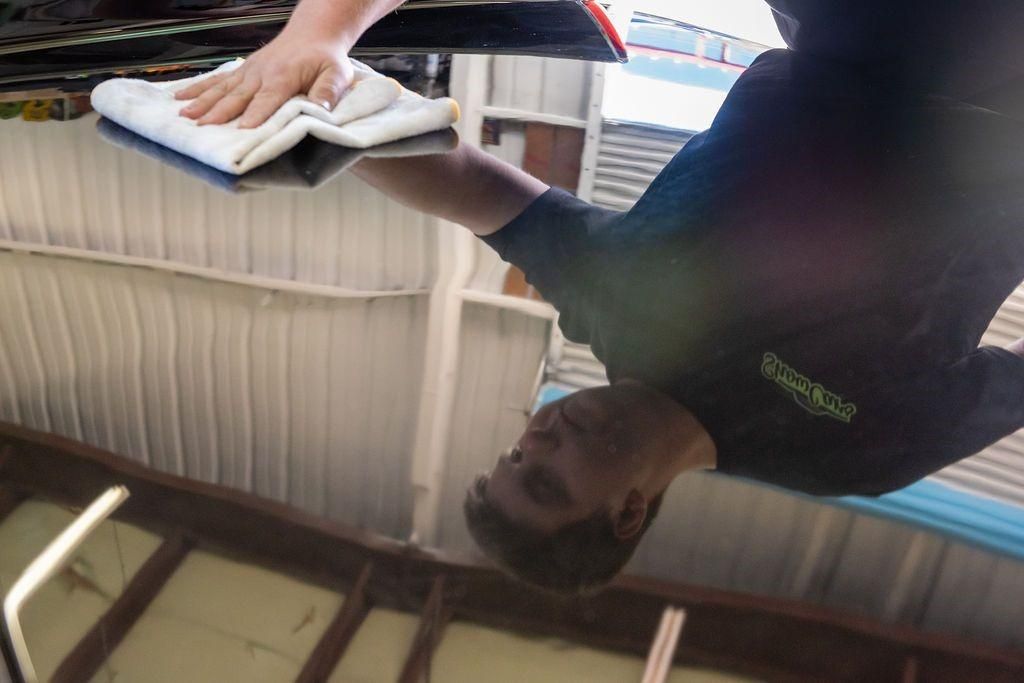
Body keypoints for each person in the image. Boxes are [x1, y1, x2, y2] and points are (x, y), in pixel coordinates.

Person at [180, 0, 1024, 594]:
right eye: (546, 482)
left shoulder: (607, 307)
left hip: (846, 29)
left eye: (516, 457)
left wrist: (317, 126)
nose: (536, 439)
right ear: (627, 513)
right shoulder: (850, 456)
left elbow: (471, 189)